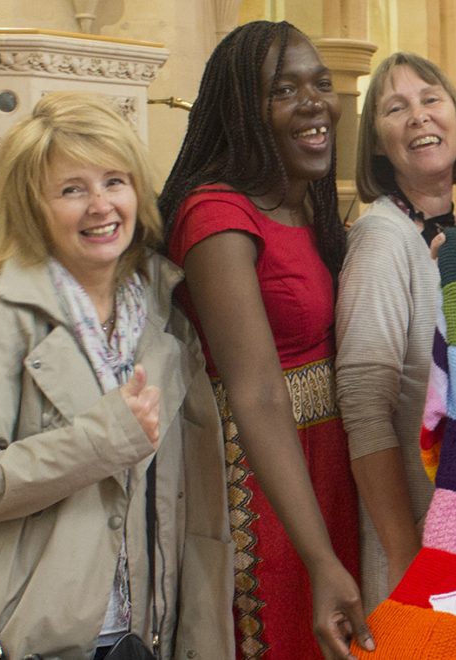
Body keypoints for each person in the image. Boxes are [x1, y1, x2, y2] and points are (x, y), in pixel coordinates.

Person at [0, 93, 232, 660]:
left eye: (114, 181)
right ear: (33, 206)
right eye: (71, 190)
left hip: (142, 632)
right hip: (27, 636)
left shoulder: (163, 319)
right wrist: (99, 442)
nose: (100, 206)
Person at [160, 21, 371, 659]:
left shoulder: (306, 202)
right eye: (284, 90)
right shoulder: (217, 214)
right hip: (262, 486)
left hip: (330, 462)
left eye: (321, 84)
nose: (314, 104)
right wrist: (318, 556)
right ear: (242, 111)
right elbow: (255, 393)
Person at [338, 51, 456, 610]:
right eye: (396, 108)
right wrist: (402, 552)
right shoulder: (381, 237)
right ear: (377, 141)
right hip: (412, 540)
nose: (419, 116)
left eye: (430, 99)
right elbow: (364, 405)